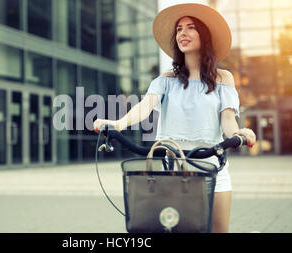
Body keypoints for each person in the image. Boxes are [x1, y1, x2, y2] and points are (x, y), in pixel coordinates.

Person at [93, 3, 257, 233]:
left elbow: (228, 120)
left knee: (219, 230)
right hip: (173, 169)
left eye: (191, 28)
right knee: (174, 229)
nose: (183, 33)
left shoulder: (223, 78)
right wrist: (116, 124)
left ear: (205, 36)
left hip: (212, 167)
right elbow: (144, 107)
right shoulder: (166, 79)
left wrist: (239, 134)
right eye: (179, 29)